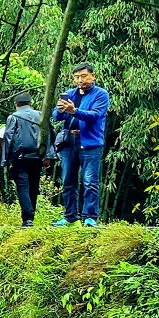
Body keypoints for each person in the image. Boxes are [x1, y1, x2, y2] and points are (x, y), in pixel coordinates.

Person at [53, 62, 110, 227]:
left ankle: (89, 217)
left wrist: (74, 111)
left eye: (84, 76)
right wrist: (61, 109)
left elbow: (95, 115)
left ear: (93, 76)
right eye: (77, 77)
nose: (80, 80)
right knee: (67, 180)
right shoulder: (69, 94)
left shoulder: (101, 94)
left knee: (90, 181)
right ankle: (70, 216)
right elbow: (56, 117)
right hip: (68, 141)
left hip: (90, 142)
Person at [3, 92, 43, 227]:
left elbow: (9, 138)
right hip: (37, 156)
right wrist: (49, 156)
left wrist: (6, 160)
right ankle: (31, 217)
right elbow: (49, 134)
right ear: (30, 103)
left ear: (16, 105)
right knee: (33, 186)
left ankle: (28, 218)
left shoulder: (14, 117)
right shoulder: (40, 115)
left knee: (23, 187)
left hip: (20, 157)